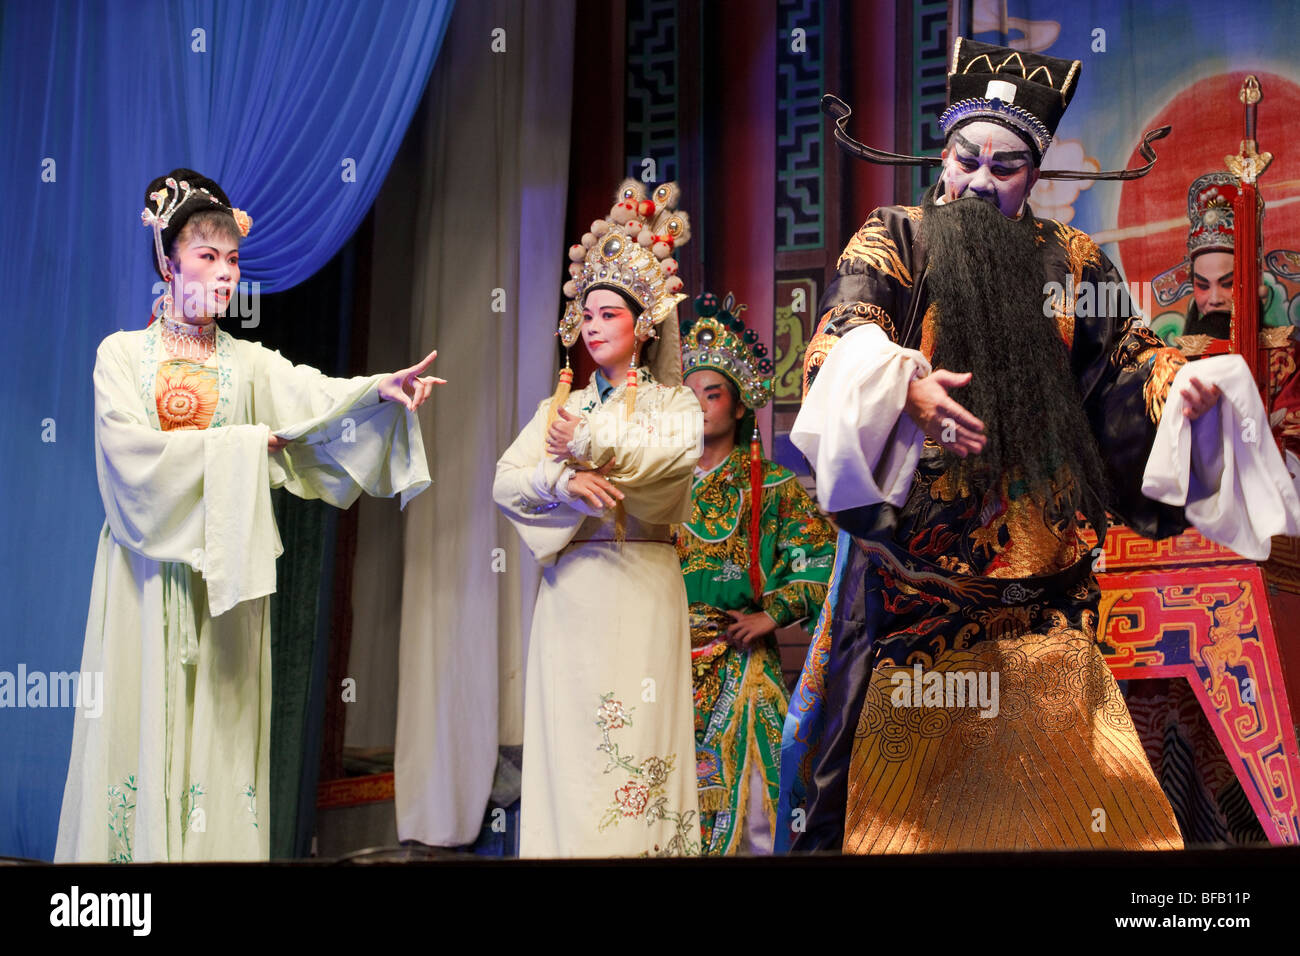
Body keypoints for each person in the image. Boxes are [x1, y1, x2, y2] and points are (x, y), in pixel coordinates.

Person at [782, 38, 1279, 854]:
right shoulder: (897, 239)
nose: (979, 180)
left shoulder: (1074, 262)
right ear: (942, 156)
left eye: (1005, 166)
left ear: (1034, 174)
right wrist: (899, 386)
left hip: (1048, 620)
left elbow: (1124, 364)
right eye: (965, 158)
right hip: (918, 619)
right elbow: (843, 332)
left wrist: (1172, 388)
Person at [56, 170, 440, 862]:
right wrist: (241, 447)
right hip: (146, 576)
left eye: (233, 259)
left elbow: (314, 398)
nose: (226, 273)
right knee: (139, 727)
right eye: (208, 257)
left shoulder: (249, 365)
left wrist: (378, 391)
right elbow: (127, 457)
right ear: (169, 263)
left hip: (224, 581)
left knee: (222, 742)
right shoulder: (121, 356)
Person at [493, 180, 704, 857]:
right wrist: (565, 480)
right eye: (586, 314)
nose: (593, 324)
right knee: (571, 748)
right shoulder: (559, 408)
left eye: (609, 313)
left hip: (641, 585)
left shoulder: (675, 408)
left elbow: (665, 462)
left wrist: (585, 447)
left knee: (638, 739)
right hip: (573, 592)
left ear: (642, 327)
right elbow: (505, 481)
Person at [675, 292, 836, 855]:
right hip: (662, 662)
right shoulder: (656, 487)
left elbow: (823, 562)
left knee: (757, 821)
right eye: (687, 395)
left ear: (740, 405)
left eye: (711, 394)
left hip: (739, 659)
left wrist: (774, 613)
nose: (698, 406)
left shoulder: (773, 489)